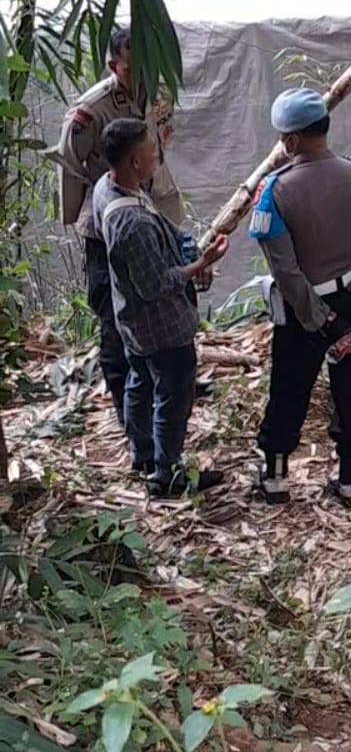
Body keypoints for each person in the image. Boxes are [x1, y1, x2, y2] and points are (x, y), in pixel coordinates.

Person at [248, 89, 351, 507]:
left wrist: (316, 316)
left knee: (289, 387)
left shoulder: (275, 191)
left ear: (291, 141)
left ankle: (275, 478)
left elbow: (285, 269)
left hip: (302, 312)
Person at [54, 28, 187, 425]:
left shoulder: (160, 96)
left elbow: (160, 147)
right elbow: (69, 165)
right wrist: (83, 218)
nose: (143, 73)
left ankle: (161, 396)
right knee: (115, 319)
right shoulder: (91, 110)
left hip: (154, 211)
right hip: (109, 224)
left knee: (160, 307)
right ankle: (129, 414)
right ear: (115, 65)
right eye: (134, 65)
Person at [93, 119, 228, 497]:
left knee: (140, 381)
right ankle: (166, 474)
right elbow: (155, 286)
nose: (157, 157)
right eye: (152, 151)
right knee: (172, 395)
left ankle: (143, 455)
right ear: (135, 162)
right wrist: (200, 265)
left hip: (131, 321)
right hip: (161, 327)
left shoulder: (107, 187)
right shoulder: (131, 223)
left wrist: (186, 251)